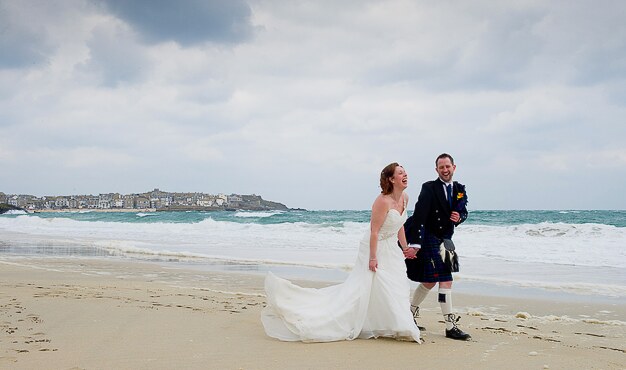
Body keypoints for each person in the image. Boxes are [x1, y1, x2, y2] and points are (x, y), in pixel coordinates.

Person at [262, 163, 421, 343]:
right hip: (374, 247)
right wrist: (373, 257)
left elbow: (399, 225)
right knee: (365, 286)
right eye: (400, 173)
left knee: (395, 283)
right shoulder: (382, 201)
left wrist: (405, 247)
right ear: (391, 179)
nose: (405, 174)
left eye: (405, 172)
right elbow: (374, 231)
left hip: (392, 248)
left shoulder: (405, 198)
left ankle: (396, 323)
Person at [402, 153, 471, 340]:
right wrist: (415, 243)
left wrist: (460, 218)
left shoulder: (459, 189)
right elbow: (419, 216)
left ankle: (423, 317)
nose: (445, 170)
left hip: (447, 239)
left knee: (440, 280)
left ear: (454, 167)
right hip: (430, 238)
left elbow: (464, 210)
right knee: (438, 279)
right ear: (437, 170)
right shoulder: (429, 188)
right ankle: (443, 324)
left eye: (448, 166)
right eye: (441, 167)